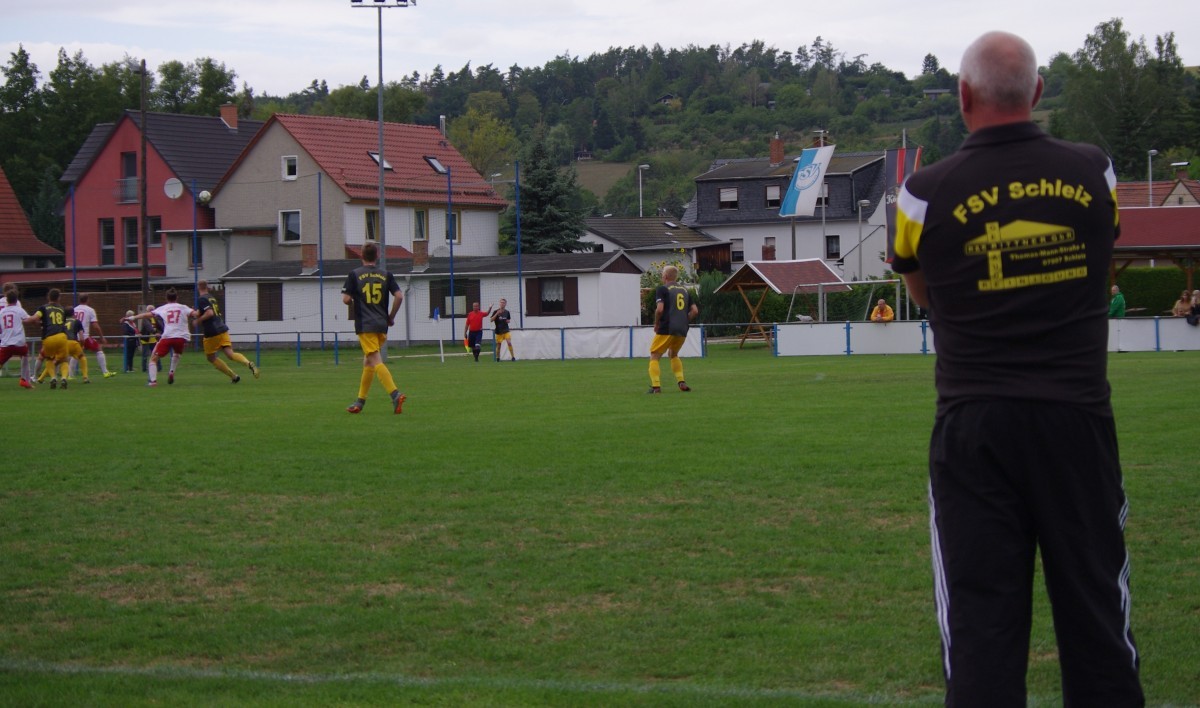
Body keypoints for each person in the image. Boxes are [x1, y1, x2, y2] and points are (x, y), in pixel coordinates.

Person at [892, 31, 1143, 706]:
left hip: (975, 427)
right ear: (1036, 93)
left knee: (980, 629)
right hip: (1077, 421)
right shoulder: (1096, 171)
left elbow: (923, 292)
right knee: (1098, 619)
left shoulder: (921, 193)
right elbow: (1100, 255)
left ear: (963, 95)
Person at [341, 241, 405, 414]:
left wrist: (353, 301)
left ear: (361, 255)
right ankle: (360, 402)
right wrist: (390, 317)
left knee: (375, 360)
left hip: (365, 324)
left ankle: (395, 394)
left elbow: (346, 300)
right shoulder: (386, 274)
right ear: (377, 256)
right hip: (381, 325)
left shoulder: (354, 274)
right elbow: (399, 296)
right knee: (368, 362)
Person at [194, 279, 259, 383]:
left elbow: (209, 313)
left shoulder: (201, 299)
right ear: (207, 287)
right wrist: (195, 313)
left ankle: (233, 376)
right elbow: (203, 311)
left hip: (212, 331)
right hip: (222, 328)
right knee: (230, 354)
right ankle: (248, 363)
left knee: (211, 358)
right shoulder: (211, 298)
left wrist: (198, 320)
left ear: (198, 287)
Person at [125, 288, 194, 387]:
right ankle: (171, 371)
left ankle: (153, 382)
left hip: (168, 336)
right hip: (180, 337)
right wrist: (196, 311)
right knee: (177, 354)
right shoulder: (183, 307)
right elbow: (195, 314)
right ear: (177, 297)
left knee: (153, 359)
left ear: (166, 298)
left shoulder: (163, 308)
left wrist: (132, 317)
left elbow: (146, 315)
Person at [647, 264, 698, 393]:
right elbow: (695, 311)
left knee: (654, 356)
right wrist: (684, 320)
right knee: (673, 354)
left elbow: (659, 310)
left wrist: (656, 323)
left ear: (664, 276)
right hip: (682, 329)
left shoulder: (662, 289)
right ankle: (681, 381)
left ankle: (656, 386)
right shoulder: (685, 290)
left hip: (667, 327)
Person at [25, 288, 71, 389]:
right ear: (59, 298)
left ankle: (53, 378)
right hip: (62, 336)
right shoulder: (62, 309)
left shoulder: (43, 308)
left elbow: (35, 318)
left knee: (49, 359)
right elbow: (60, 323)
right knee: (64, 360)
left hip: (48, 338)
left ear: (48, 297)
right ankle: (63, 378)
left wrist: (25, 320)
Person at [71, 293, 116, 378]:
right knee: (98, 349)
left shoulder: (74, 309)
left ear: (79, 300)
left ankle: (70, 375)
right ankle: (105, 372)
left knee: (75, 353)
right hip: (84, 336)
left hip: (74, 336)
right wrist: (101, 337)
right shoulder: (90, 310)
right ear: (88, 300)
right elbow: (95, 326)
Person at [0, 288, 34, 388]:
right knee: (25, 356)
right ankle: (24, 380)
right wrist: (38, 319)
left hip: (6, 344)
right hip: (19, 343)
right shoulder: (19, 310)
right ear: (16, 300)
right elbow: (28, 320)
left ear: (7, 300)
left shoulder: (2, 312)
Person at [139, 304, 159, 374]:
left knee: (156, 354)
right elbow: (149, 327)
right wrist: (154, 332)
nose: (151, 311)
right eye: (150, 310)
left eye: (152, 310)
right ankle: (144, 369)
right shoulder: (145, 319)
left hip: (153, 340)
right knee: (145, 355)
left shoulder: (155, 318)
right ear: (147, 311)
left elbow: (159, 326)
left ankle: (158, 368)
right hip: (146, 339)